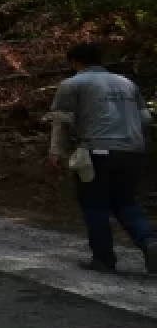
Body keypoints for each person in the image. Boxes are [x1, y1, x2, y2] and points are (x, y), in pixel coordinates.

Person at [47, 43, 157, 273]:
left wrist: (56, 152)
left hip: (98, 151)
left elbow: (61, 122)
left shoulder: (73, 84)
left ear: (75, 62)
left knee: (94, 204)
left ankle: (104, 259)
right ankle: (149, 242)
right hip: (133, 151)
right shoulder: (126, 83)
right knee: (125, 201)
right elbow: (145, 119)